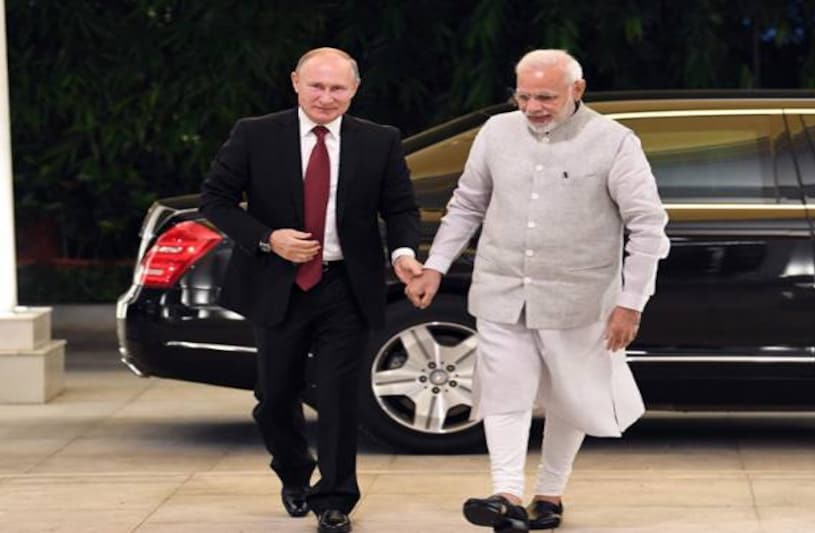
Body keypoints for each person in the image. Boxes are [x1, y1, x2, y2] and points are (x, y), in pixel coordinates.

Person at [405, 49, 669, 532]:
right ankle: (505, 493)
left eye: (545, 97)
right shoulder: (495, 133)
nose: (532, 107)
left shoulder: (614, 142)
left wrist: (631, 303)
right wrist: (435, 266)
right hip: (501, 288)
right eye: (523, 95)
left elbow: (649, 227)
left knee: (571, 397)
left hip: (582, 297)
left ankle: (549, 493)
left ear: (577, 90)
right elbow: (466, 204)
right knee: (505, 393)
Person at [201, 47, 422, 533]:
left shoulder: (379, 140)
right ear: (296, 82)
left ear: (354, 90)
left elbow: (401, 209)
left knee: (341, 396)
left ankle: (336, 498)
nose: (326, 97)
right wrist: (267, 238)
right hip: (277, 284)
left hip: (346, 284)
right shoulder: (255, 133)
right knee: (276, 396)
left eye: (337, 88)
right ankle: (295, 473)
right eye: (317, 86)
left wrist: (403, 255)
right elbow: (215, 200)